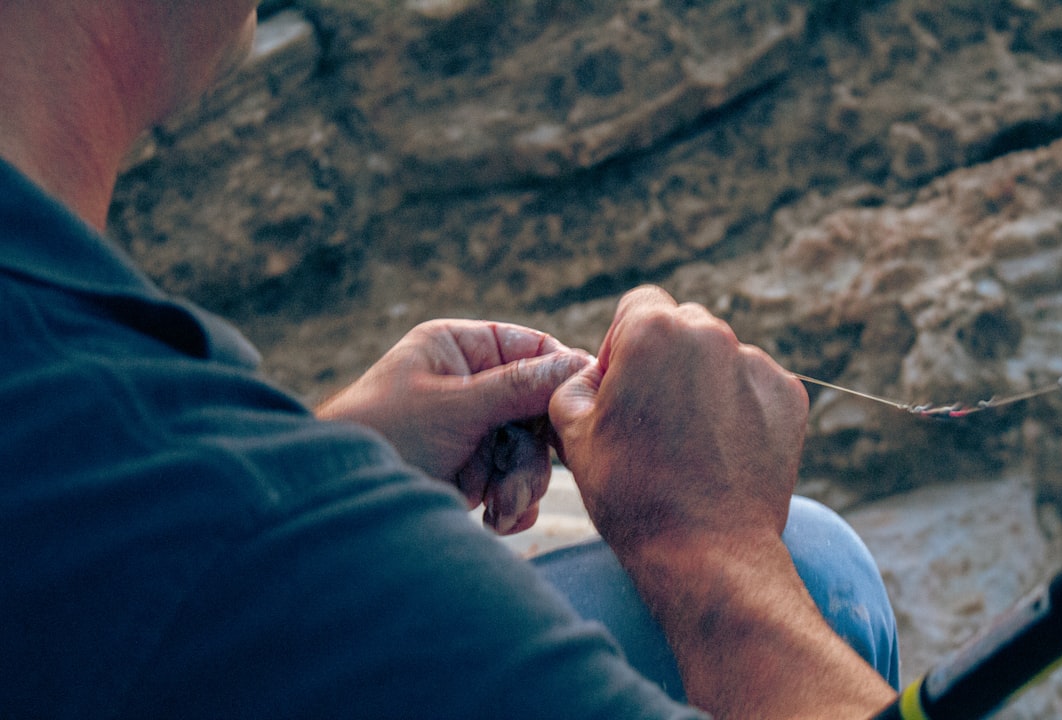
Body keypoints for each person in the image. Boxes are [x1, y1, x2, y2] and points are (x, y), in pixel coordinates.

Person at [0, 2, 900, 717]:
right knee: (816, 587)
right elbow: (182, 561)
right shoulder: (200, 515)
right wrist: (710, 547)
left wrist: (334, 459)